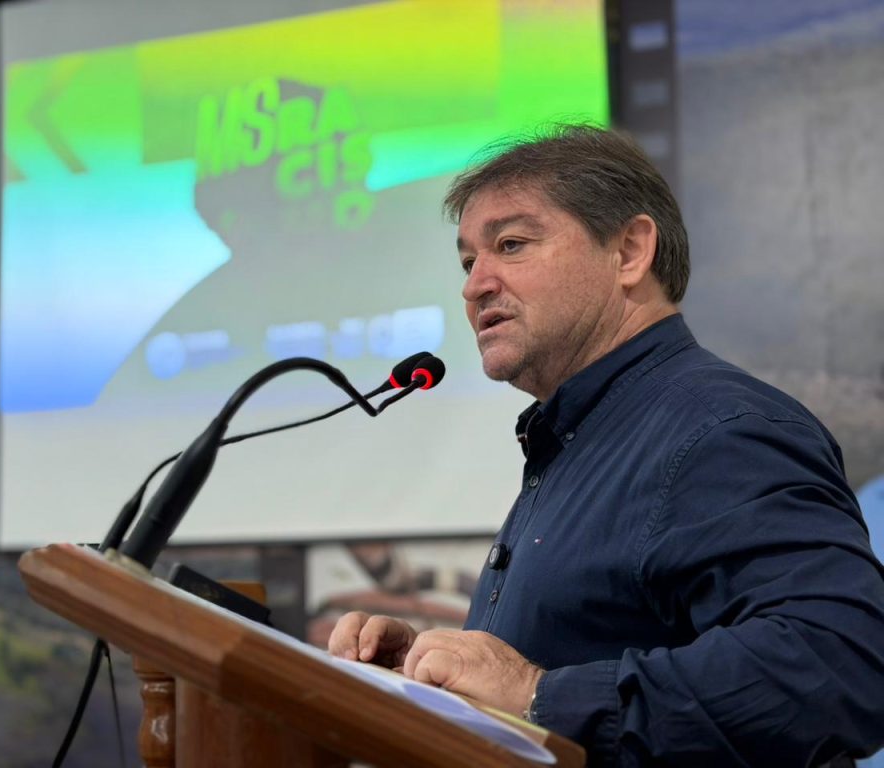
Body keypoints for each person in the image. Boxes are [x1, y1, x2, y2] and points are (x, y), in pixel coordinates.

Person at [327, 125, 884, 767]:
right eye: (467, 261)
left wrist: (536, 694)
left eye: (510, 244)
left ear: (628, 251)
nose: (474, 285)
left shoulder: (719, 428)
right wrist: (438, 681)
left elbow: (835, 665)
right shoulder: (579, 437)